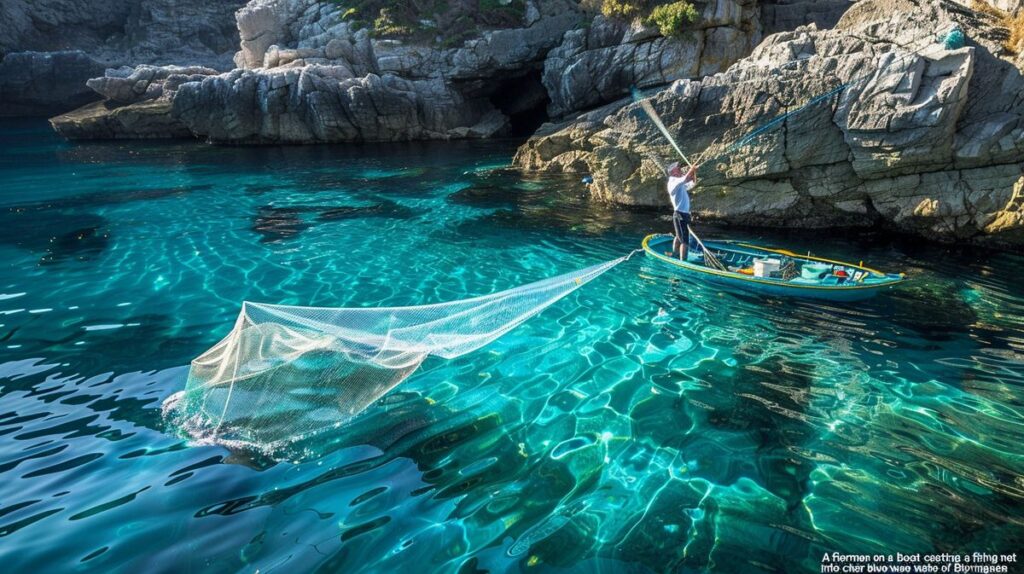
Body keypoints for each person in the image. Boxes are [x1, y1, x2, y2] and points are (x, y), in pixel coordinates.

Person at [666, 162, 697, 260]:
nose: (680, 169)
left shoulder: (680, 183)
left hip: (684, 214)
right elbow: (685, 178)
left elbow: (692, 183)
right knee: (685, 240)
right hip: (680, 214)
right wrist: (691, 170)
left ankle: (675, 254)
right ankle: (683, 260)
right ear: (673, 172)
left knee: (679, 236)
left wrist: (694, 172)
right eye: (678, 168)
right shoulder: (673, 182)